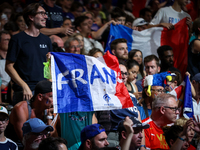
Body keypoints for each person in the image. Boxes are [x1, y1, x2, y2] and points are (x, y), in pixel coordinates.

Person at [5, 3, 53, 105]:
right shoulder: (17, 39)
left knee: (45, 121)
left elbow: (48, 65)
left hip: (44, 91)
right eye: (41, 13)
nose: (46, 17)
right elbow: (8, 66)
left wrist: (50, 85)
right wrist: (24, 86)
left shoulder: (46, 40)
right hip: (25, 92)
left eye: (45, 14)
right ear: (31, 17)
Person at [5, 80, 60, 150]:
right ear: (40, 97)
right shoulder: (21, 109)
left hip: (39, 145)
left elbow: (53, 140)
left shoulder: (50, 110)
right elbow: (25, 141)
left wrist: (49, 117)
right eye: (51, 96)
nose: (55, 100)